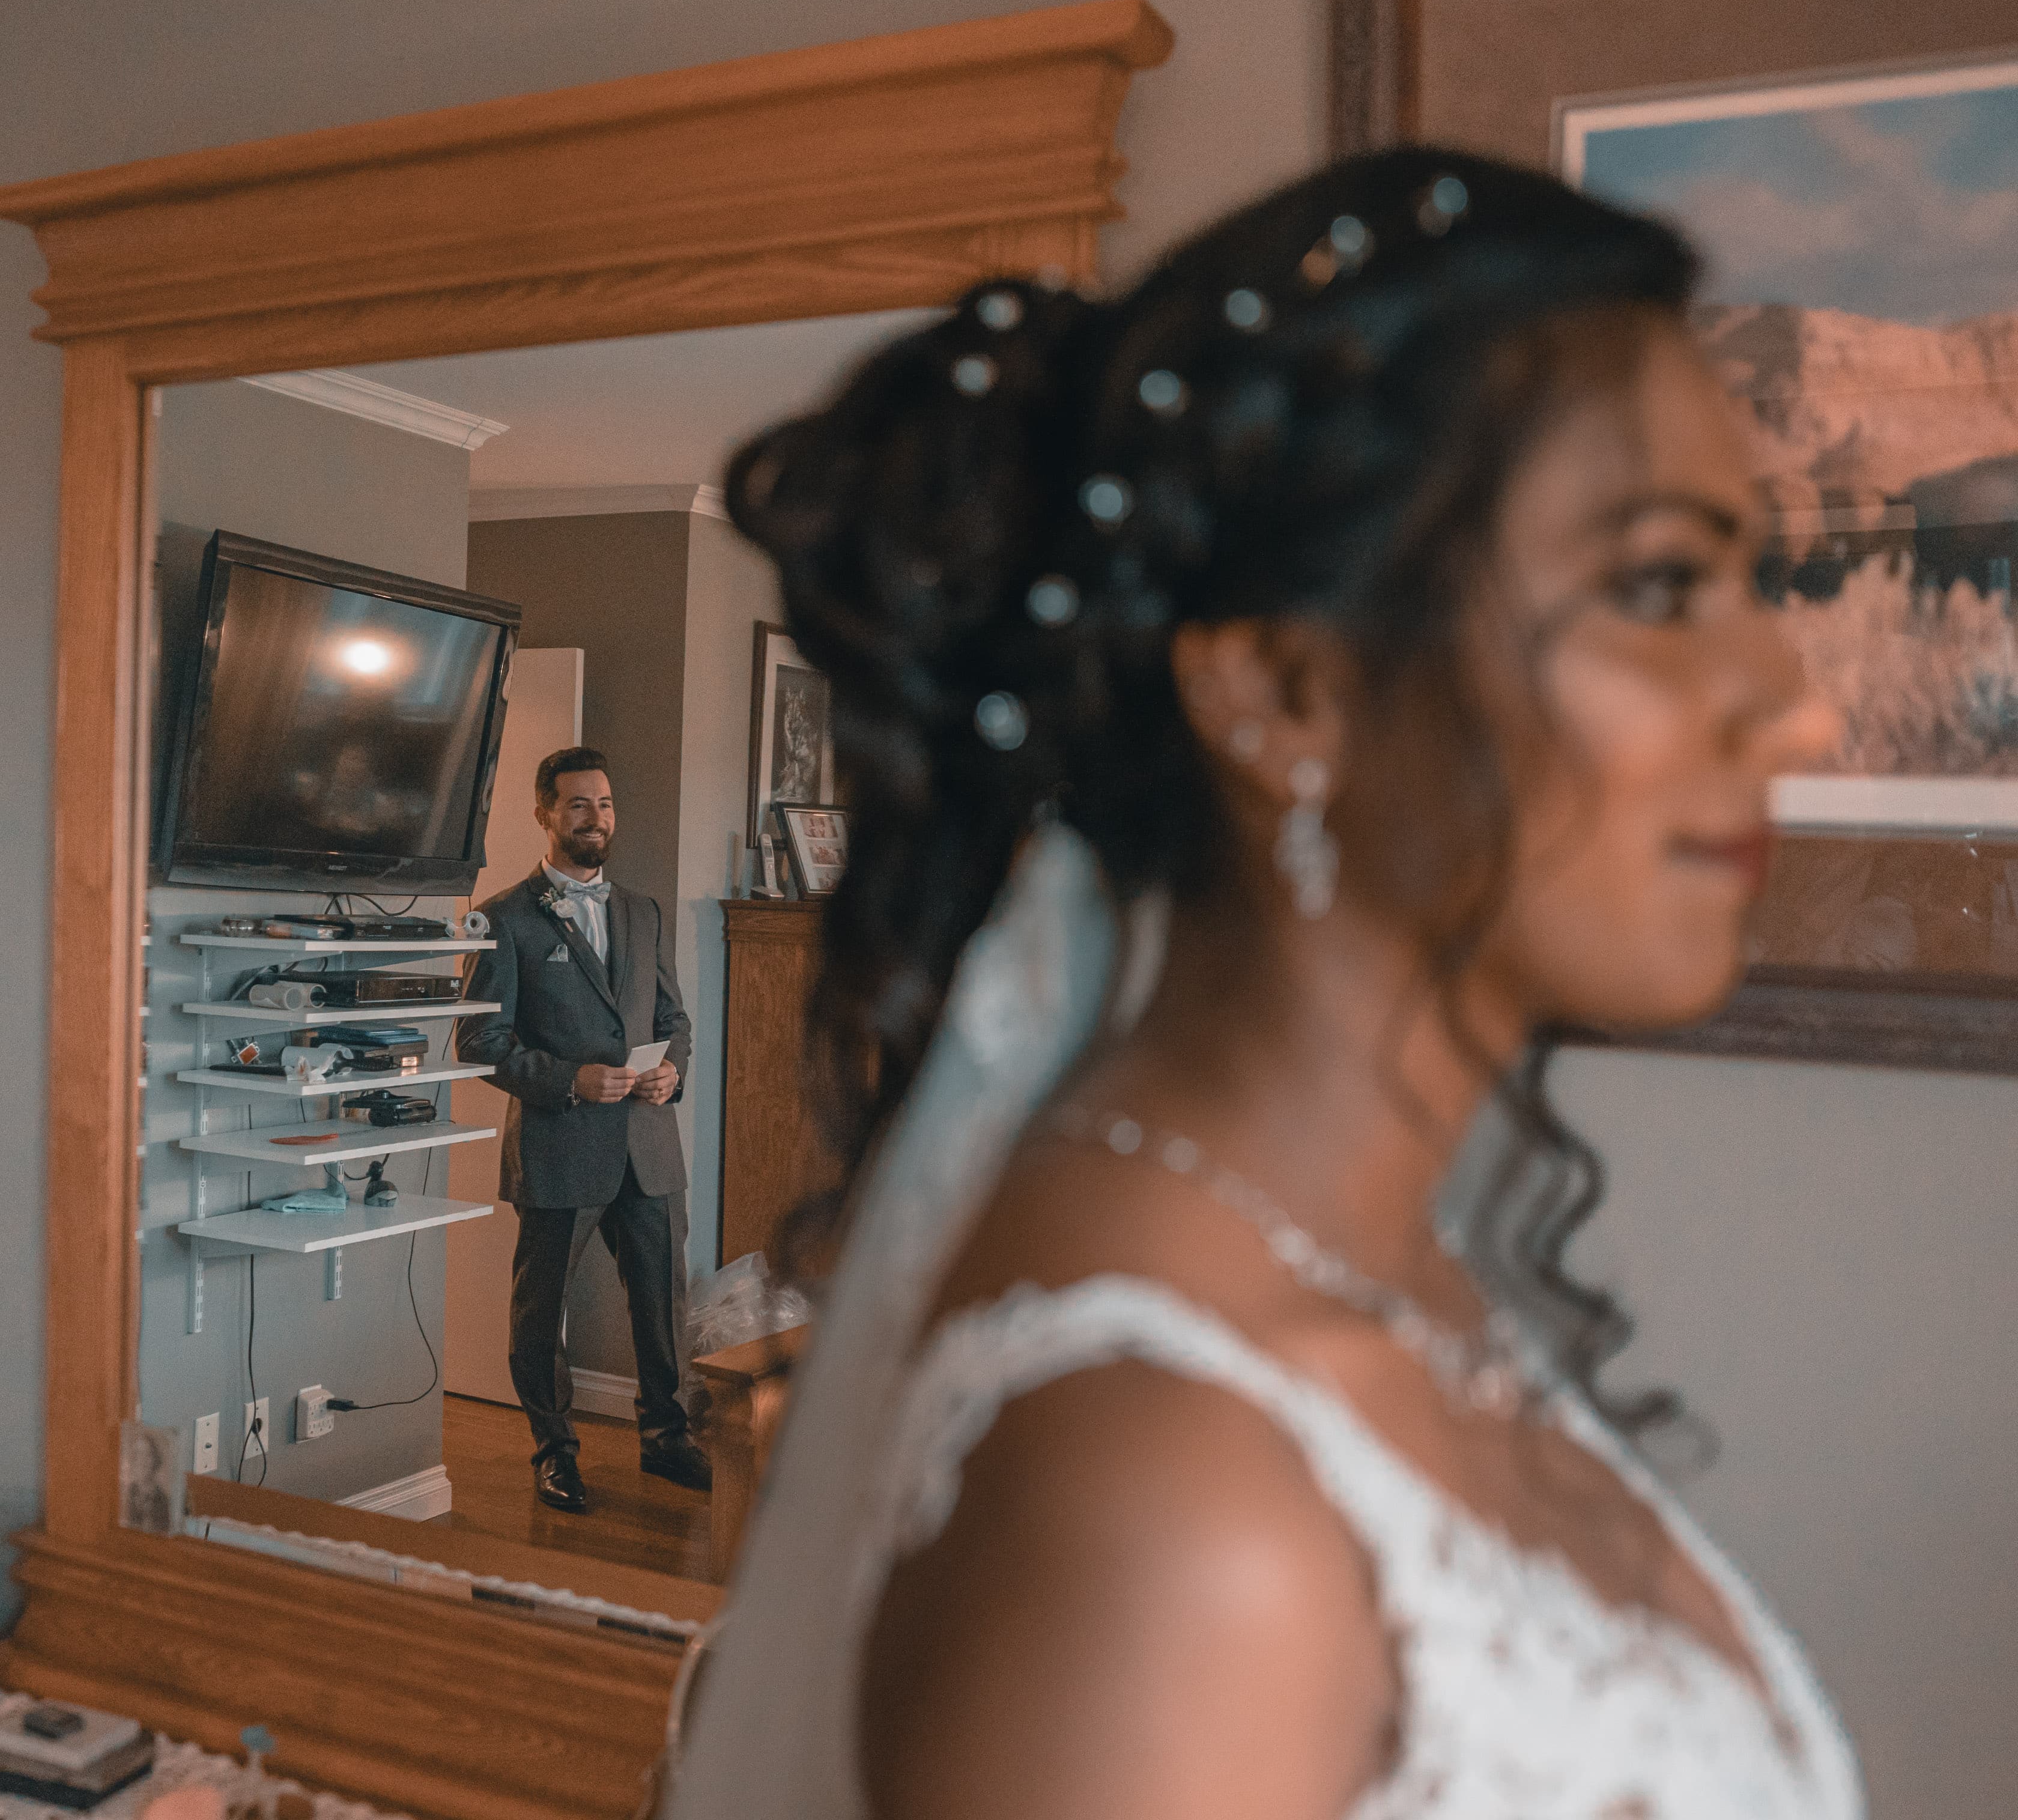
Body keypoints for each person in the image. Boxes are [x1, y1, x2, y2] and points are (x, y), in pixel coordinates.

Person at [663, 148, 1863, 1819]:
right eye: (1657, 583)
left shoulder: (1353, 1263)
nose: (1795, 708)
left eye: (1760, 583)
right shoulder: (1173, 1495)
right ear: (1288, 690)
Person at [461, 747, 713, 1513]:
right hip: (559, 1148)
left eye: (603, 804)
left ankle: (666, 1437)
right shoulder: (505, 918)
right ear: (544, 813)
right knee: (541, 1313)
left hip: (648, 1145)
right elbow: (479, 1044)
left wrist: (671, 1072)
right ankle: (555, 1452)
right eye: (577, 805)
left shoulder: (643, 910)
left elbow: (673, 1019)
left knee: (662, 1303)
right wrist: (570, 1080)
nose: (594, 818)